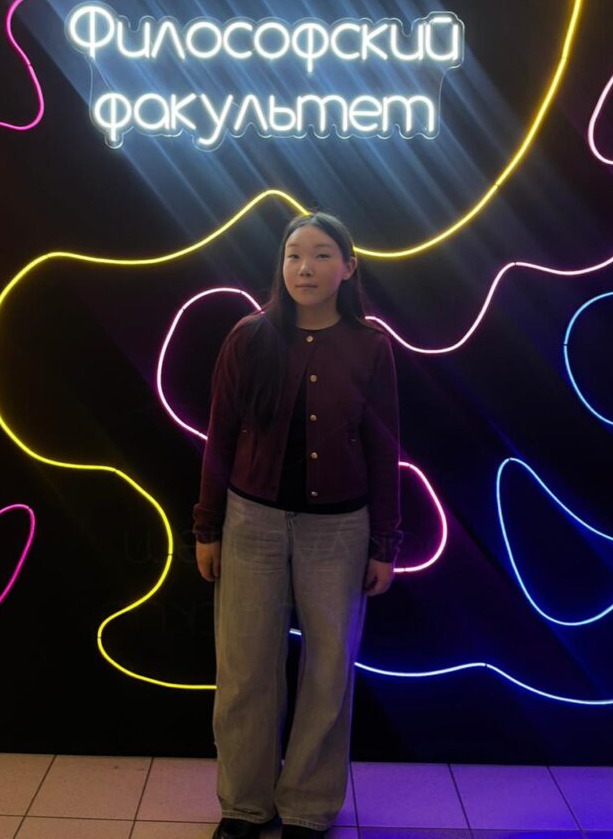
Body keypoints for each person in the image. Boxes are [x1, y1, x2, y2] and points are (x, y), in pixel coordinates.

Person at [193, 211, 402, 839]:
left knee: (328, 672)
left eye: (320, 255)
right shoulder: (249, 337)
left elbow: (383, 448)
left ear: (349, 267)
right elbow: (220, 437)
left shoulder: (371, 347)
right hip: (250, 522)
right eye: (293, 255)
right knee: (244, 671)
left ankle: (308, 807)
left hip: (339, 530)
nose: (304, 268)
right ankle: (244, 805)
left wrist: (385, 543)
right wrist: (207, 527)